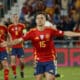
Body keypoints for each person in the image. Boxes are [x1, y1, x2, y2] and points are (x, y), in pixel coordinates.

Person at [2, 12, 80, 80]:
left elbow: (65, 33)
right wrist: (8, 44)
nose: (39, 19)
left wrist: (78, 34)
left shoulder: (50, 30)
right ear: (35, 20)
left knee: (49, 78)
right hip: (38, 61)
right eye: (38, 18)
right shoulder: (31, 32)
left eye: (41, 18)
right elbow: (19, 40)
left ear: (45, 20)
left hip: (49, 60)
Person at [8, 14, 26, 79]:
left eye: (16, 17)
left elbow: (25, 35)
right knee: (13, 61)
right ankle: (15, 74)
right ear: (12, 19)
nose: (15, 18)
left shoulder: (22, 26)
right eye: (14, 17)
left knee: (22, 62)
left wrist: (22, 42)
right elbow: (9, 36)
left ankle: (21, 71)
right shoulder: (9, 27)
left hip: (20, 46)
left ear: (18, 18)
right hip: (13, 47)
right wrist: (9, 44)